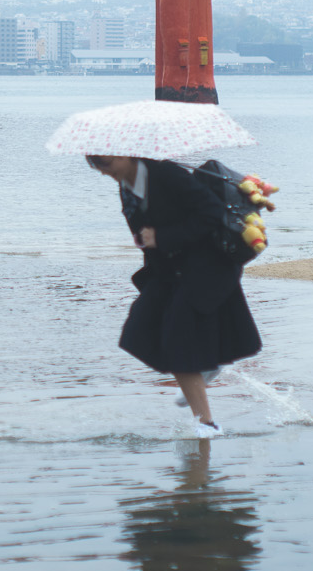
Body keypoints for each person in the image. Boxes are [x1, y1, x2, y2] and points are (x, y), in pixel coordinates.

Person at [86, 154, 262, 437]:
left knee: (179, 341)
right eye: (94, 165)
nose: (102, 171)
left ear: (127, 154)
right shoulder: (127, 185)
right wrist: (146, 238)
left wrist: (162, 236)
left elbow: (212, 213)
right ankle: (201, 371)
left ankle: (206, 424)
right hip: (169, 269)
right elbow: (144, 229)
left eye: (105, 163)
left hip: (207, 266)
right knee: (139, 331)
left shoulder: (166, 173)